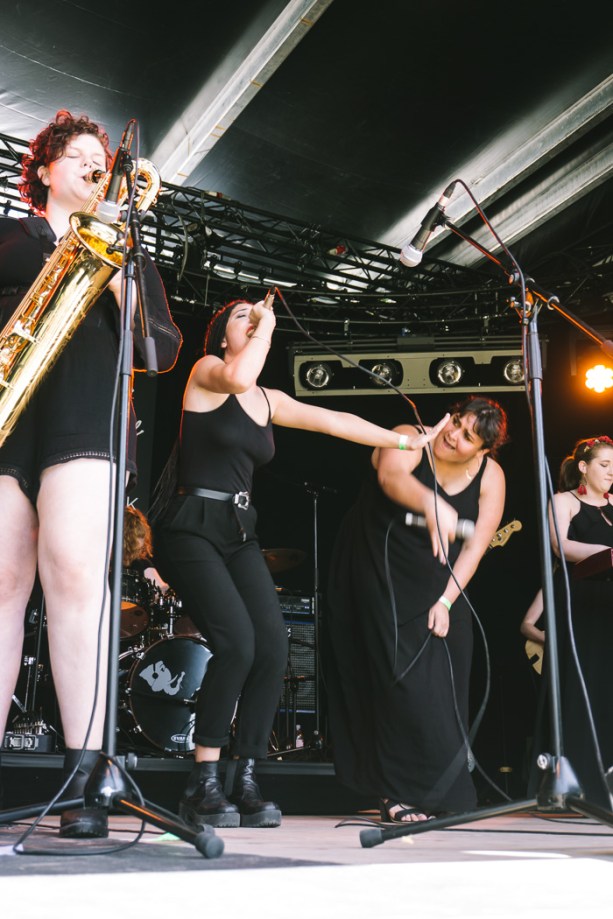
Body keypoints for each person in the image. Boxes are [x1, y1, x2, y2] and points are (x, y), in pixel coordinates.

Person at [153, 295, 449, 830]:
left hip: (239, 532)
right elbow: (241, 377)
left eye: (257, 316)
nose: (255, 321)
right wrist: (264, 328)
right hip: (191, 526)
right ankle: (202, 783)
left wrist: (403, 442)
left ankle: (245, 776)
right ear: (222, 336)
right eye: (242, 317)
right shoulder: (209, 372)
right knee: (236, 644)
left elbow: (334, 420)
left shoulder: (268, 400)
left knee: (273, 644)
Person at [0, 110, 182, 835]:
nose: (90, 164)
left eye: (97, 158)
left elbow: (159, 348)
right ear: (43, 169)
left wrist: (113, 271)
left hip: (82, 413)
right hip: (10, 414)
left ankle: (89, 775)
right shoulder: (9, 236)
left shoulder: (126, 250)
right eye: (74, 155)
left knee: (77, 577)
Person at [325, 396, 508, 822]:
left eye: (467, 437)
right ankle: (393, 791)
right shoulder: (409, 436)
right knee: (394, 679)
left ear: (484, 450)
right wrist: (430, 502)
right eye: (456, 422)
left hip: (440, 583)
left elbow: (476, 546)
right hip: (378, 569)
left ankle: (439, 790)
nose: (453, 435)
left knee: (444, 687)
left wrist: (446, 600)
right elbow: (391, 477)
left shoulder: (490, 476)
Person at [542, 434, 613, 808]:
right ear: (584, 467)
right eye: (605, 465)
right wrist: (606, 553)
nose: (611, 473)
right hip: (582, 602)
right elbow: (559, 544)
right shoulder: (565, 501)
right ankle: (579, 783)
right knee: (586, 686)